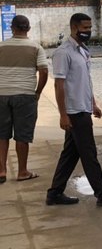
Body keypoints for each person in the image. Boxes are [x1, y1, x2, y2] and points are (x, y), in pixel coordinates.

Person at [46, 13, 102, 207]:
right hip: (74, 112)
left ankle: (55, 193)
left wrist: (93, 103)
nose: (88, 32)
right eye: (85, 29)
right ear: (74, 28)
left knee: (70, 154)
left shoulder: (82, 50)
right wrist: (63, 115)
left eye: (90, 28)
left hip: (83, 107)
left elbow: (85, 81)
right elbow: (59, 85)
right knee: (89, 153)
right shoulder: (63, 53)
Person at [0, 15, 48, 183]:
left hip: (1, 95)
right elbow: (44, 71)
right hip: (25, 96)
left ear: (12, 28)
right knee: (22, 136)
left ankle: (1, 171)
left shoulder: (1, 46)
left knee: (2, 134)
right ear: (28, 29)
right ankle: (22, 172)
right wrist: (38, 91)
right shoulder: (36, 47)